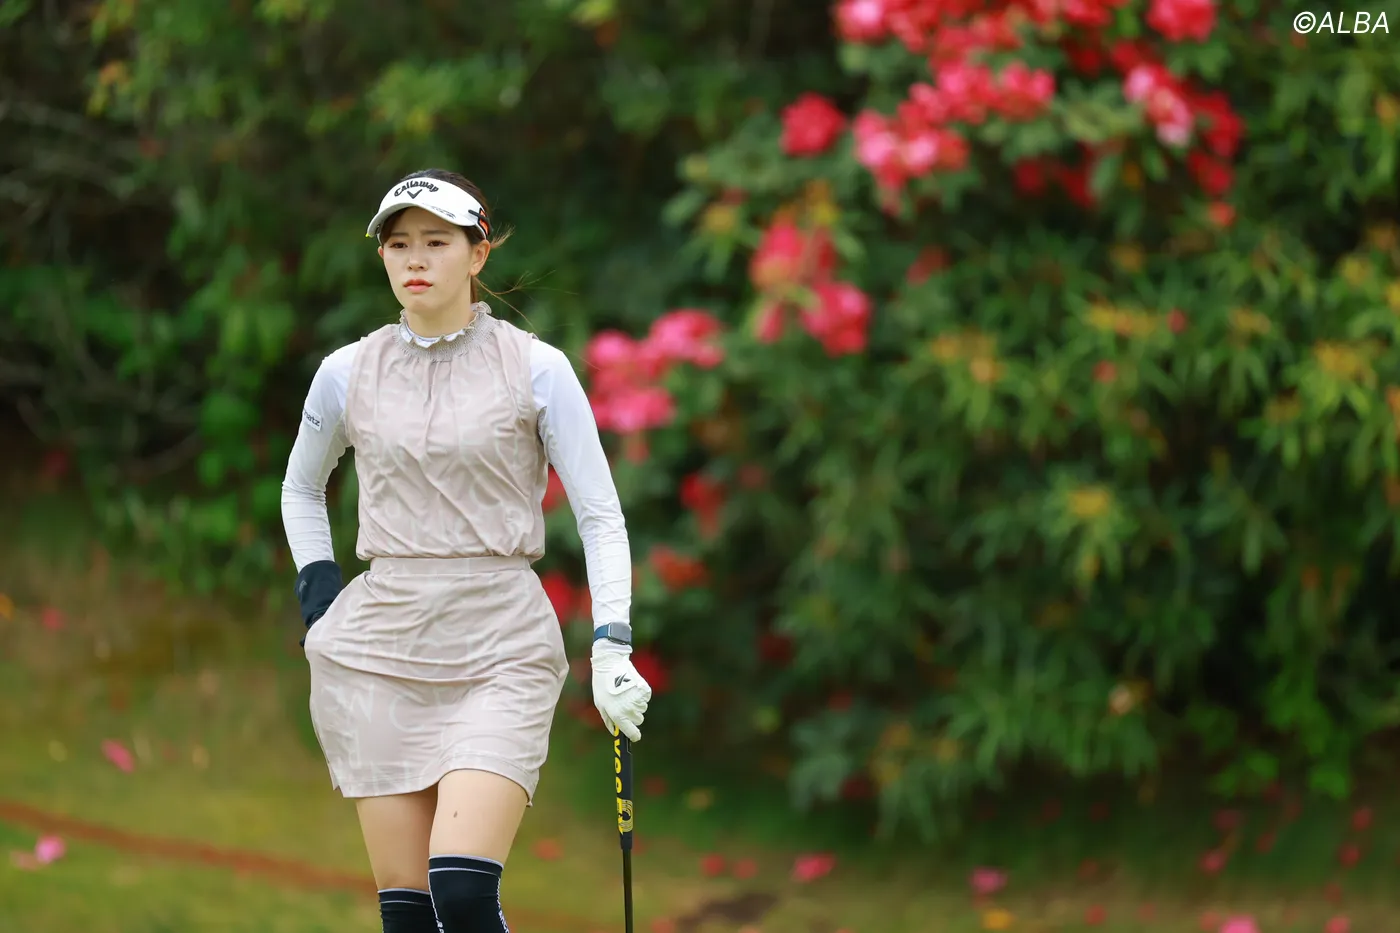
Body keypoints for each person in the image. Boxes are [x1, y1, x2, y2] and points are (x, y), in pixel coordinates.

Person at [279, 168, 653, 933]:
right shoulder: (346, 372)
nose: (414, 258)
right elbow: (300, 488)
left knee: (460, 889)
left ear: (478, 254)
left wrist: (612, 643)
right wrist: (320, 604)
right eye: (399, 244)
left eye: (436, 242)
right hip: (381, 647)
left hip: (499, 644)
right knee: (409, 914)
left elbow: (599, 514)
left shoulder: (537, 367)